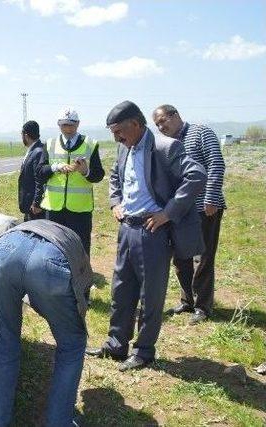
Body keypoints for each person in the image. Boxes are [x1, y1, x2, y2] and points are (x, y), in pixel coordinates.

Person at [86, 101, 206, 371]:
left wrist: (168, 212)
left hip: (153, 232)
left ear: (137, 125)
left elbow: (197, 175)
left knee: (150, 295)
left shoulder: (165, 147)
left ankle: (144, 351)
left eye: (119, 131)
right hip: (126, 229)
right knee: (120, 289)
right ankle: (117, 344)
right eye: (112, 132)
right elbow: (116, 177)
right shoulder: (122, 148)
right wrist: (115, 202)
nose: (116, 137)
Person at [0, 219, 91, 427]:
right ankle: (59, 422)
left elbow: (2, 228)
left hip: (3, 254)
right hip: (50, 262)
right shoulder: (74, 241)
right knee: (73, 344)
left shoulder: (20, 224)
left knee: (6, 340)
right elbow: (81, 290)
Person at [153, 104, 226, 325]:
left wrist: (211, 198)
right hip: (178, 209)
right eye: (157, 125)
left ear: (176, 116)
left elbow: (216, 164)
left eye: (163, 121)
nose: (161, 126)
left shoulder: (201, 132)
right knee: (180, 255)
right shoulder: (167, 144)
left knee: (203, 256)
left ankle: (203, 306)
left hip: (204, 206)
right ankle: (187, 300)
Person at [39, 108, 104, 255]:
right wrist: (55, 167)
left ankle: (81, 277)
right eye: (64, 125)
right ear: (58, 124)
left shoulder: (90, 144)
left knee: (80, 246)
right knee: (52, 246)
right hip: (54, 207)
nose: (68, 128)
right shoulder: (49, 144)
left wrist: (85, 172)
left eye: (72, 124)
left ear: (78, 124)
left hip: (80, 209)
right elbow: (40, 172)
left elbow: (99, 175)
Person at [18, 120, 48, 221]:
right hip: (29, 205)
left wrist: (37, 202)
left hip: (34, 208)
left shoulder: (38, 151)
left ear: (25, 135)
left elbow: (40, 179)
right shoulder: (33, 149)